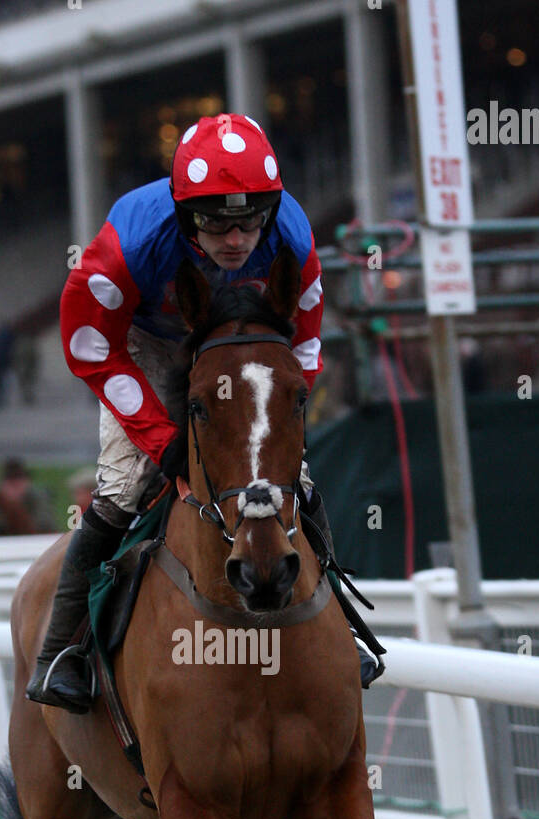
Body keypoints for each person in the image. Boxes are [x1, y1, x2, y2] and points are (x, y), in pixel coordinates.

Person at [27, 113, 374, 710]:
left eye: (248, 221)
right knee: (123, 488)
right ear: (185, 214)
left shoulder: (292, 235)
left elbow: (306, 349)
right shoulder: (129, 245)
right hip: (140, 343)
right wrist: (161, 440)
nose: (235, 238)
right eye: (215, 221)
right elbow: (89, 345)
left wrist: (273, 422)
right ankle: (64, 651)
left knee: (294, 482)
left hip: (242, 344)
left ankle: (340, 621)